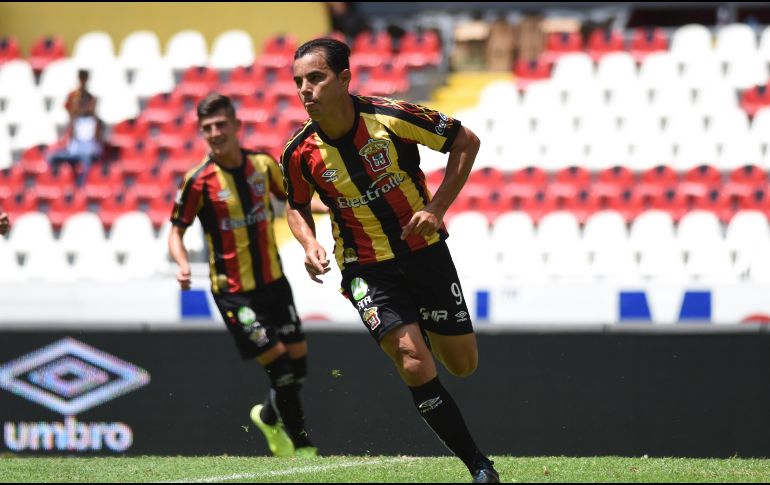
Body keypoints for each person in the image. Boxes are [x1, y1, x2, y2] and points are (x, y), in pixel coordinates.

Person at [281, 38, 500, 483]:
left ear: (344, 78)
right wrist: (308, 244)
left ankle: (427, 326)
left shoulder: (391, 118)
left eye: (316, 78)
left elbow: (466, 142)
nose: (306, 90)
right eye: (299, 82)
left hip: (424, 254)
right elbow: (295, 205)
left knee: (462, 365)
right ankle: (479, 466)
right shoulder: (298, 152)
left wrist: (436, 209)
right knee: (412, 358)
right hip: (364, 267)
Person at [168, 93, 316, 458]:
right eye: (207, 128)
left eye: (220, 125)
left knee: (298, 366)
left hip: (274, 282)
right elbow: (176, 230)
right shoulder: (199, 181)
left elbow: (294, 201)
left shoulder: (263, 165)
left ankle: (268, 416)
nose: (215, 133)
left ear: (236, 125)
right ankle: (303, 447)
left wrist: (332, 206)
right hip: (234, 292)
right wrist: (183, 263)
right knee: (280, 366)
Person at [48, 69, 104, 186]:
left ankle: (81, 187)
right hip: (75, 149)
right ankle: (54, 182)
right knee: (51, 157)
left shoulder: (94, 119)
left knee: (86, 163)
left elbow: (96, 144)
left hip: (88, 151)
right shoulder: (74, 101)